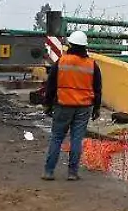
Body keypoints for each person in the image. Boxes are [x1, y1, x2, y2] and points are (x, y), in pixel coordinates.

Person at [42, 30, 102, 181]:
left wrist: (47, 105)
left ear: (70, 44)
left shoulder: (61, 62)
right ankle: (72, 173)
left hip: (63, 105)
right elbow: (98, 89)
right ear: (84, 46)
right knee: (76, 139)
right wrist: (96, 108)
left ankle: (49, 172)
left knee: (57, 138)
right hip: (83, 107)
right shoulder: (92, 65)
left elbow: (50, 85)